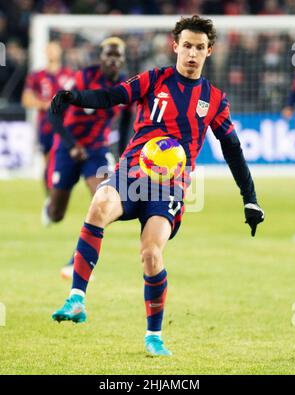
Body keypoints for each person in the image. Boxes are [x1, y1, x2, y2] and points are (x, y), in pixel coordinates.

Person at [49, 16, 264, 356]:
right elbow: (113, 95)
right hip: (131, 172)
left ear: (209, 51)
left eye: (199, 48)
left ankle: (154, 336)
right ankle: (77, 297)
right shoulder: (155, 79)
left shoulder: (214, 100)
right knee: (99, 204)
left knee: (151, 253)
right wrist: (75, 97)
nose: (192, 53)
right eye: (187, 46)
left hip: (169, 189)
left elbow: (233, 150)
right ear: (175, 45)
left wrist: (250, 199)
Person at [44, 37, 132, 278]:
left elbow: (125, 123)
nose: (113, 61)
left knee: (103, 200)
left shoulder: (125, 86)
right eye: (108, 56)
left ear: (122, 59)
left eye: (117, 56)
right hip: (68, 147)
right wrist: (71, 144)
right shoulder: (83, 78)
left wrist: (124, 155)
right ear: (100, 59)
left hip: (97, 150)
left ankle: (77, 260)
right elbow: (54, 113)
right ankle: (49, 206)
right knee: (56, 213)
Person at [21, 41, 75, 192]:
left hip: (65, 126)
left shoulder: (70, 75)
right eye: (49, 50)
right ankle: (49, 198)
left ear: (60, 52)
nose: (52, 53)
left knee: (62, 162)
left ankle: (57, 198)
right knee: (48, 162)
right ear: (45, 52)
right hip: (46, 125)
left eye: (54, 50)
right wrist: (45, 104)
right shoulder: (36, 76)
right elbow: (26, 99)